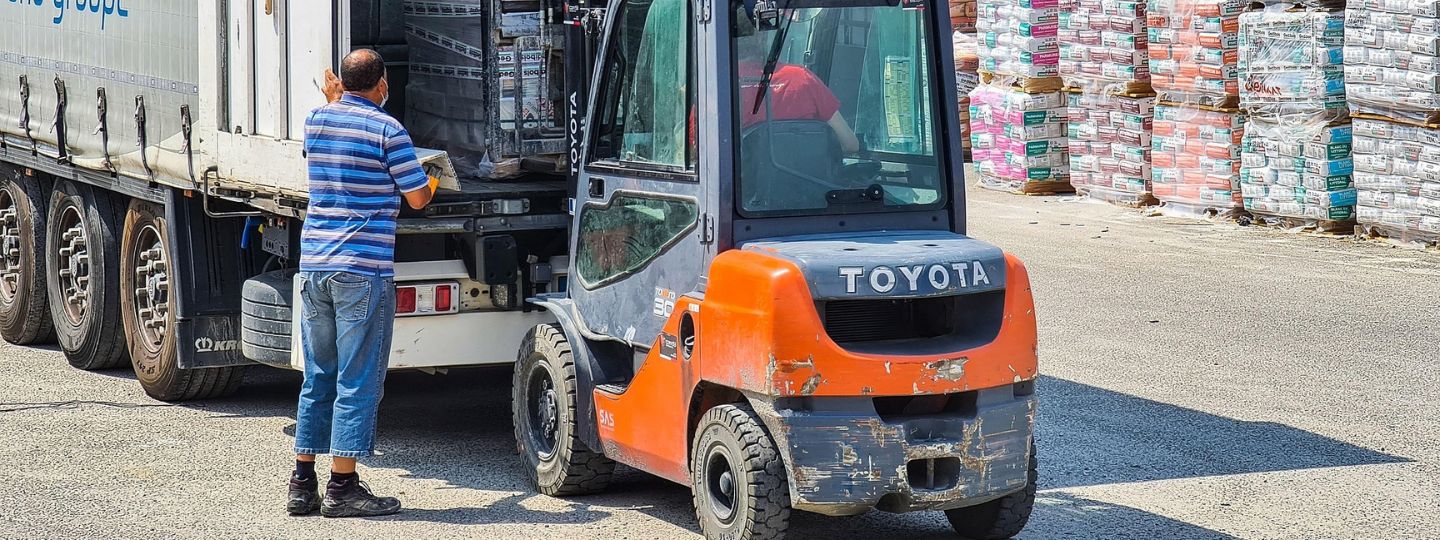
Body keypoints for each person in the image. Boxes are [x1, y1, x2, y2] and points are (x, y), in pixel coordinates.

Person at [286, 49, 437, 518]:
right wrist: (432, 178)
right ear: (383, 84)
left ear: (344, 84)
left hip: (315, 267)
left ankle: (301, 483)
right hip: (362, 271)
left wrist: (334, 101)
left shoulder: (316, 120)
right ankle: (343, 487)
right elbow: (416, 199)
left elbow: (321, 143)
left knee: (318, 377)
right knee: (357, 381)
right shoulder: (389, 131)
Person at [736, 9, 860, 154]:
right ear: (761, 37)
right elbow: (851, 145)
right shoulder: (802, 78)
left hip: (745, 177)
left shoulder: (721, 87)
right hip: (807, 177)